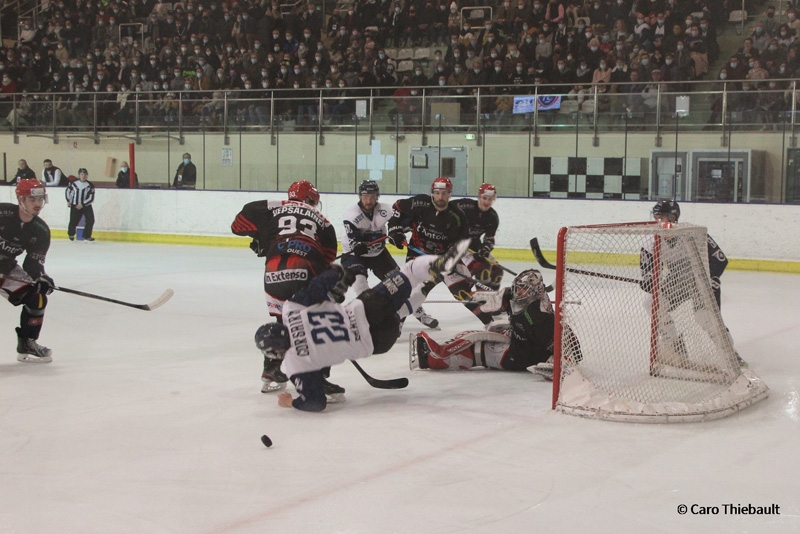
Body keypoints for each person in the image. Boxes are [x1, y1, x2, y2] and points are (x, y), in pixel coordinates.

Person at [256, 239, 470, 412]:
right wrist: (341, 278)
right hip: (368, 308)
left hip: (378, 342)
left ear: (276, 350)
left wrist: (290, 402)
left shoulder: (296, 363)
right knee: (409, 272)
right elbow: (328, 279)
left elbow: (316, 402)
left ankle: (423, 291)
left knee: (398, 314)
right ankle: (439, 266)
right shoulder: (290, 310)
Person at [231, 180, 341, 396]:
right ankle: (316, 379)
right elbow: (328, 258)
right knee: (316, 322)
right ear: (309, 199)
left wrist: (263, 239)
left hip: (273, 273)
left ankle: (271, 370)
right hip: (305, 269)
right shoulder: (324, 221)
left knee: (284, 320)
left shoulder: (274, 207)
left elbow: (238, 225)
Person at [411, 269, 580, 378]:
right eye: (517, 286)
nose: (517, 291)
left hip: (522, 354)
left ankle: (431, 359)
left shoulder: (538, 317)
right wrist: (491, 297)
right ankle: (436, 354)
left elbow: (571, 348)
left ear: (533, 291)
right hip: (517, 338)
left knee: (479, 350)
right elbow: (502, 297)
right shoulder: (524, 298)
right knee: (473, 335)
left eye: (522, 288)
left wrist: (559, 361)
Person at [639, 200, 745, 367]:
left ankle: (730, 353)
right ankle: (676, 345)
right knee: (651, 302)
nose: (658, 223)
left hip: (700, 277)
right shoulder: (649, 241)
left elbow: (720, 260)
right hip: (678, 279)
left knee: (704, 317)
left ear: (673, 218)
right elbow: (647, 271)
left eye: (662, 218)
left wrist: (710, 280)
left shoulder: (692, 233)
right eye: (656, 218)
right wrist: (648, 280)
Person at [387, 176, 470, 328]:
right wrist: (394, 230)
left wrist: (451, 259)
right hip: (416, 251)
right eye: (437, 192)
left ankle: (403, 316)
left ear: (450, 194)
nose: (441, 196)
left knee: (420, 289)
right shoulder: (420, 203)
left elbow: (462, 243)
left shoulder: (457, 216)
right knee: (406, 286)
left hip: (438, 259)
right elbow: (397, 208)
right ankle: (397, 322)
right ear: (432, 192)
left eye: (445, 193)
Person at [0, 179, 56, 362]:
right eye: (33, 200)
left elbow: (33, 264)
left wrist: (41, 278)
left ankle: (27, 342)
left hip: (5, 268)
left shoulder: (40, 230)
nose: (38, 204)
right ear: (20, 199)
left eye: (41, 199)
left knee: (37, 297)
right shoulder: (2, 213)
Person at [341, 180, 400, 295]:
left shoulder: (386, 209)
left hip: (378, 253)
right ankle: (369, 308)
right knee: (360, 284)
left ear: (377, 197)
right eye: (365, 196)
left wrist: (397, 230)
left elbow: (400, 218)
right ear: (359, 196)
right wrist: (358, 245)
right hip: (353, 255)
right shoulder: (351, 215)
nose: (368, 201)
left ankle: (417, 312)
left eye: (372, 197)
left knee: (399, 283)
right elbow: (354, 242)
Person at [65, 168, 96, 242]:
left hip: (86, 206)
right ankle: (71, 234)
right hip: (75, 205)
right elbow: (68, 191)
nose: (83, 176)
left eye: (85, 174)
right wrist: (68, 200)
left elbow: (91, 197)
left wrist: (83, 204)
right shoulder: (73, 183)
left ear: (87, 175)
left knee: (90, 220)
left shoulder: (90, 185)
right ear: (79, 175)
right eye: (82, 174)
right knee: (73, 220)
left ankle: (87, 236)